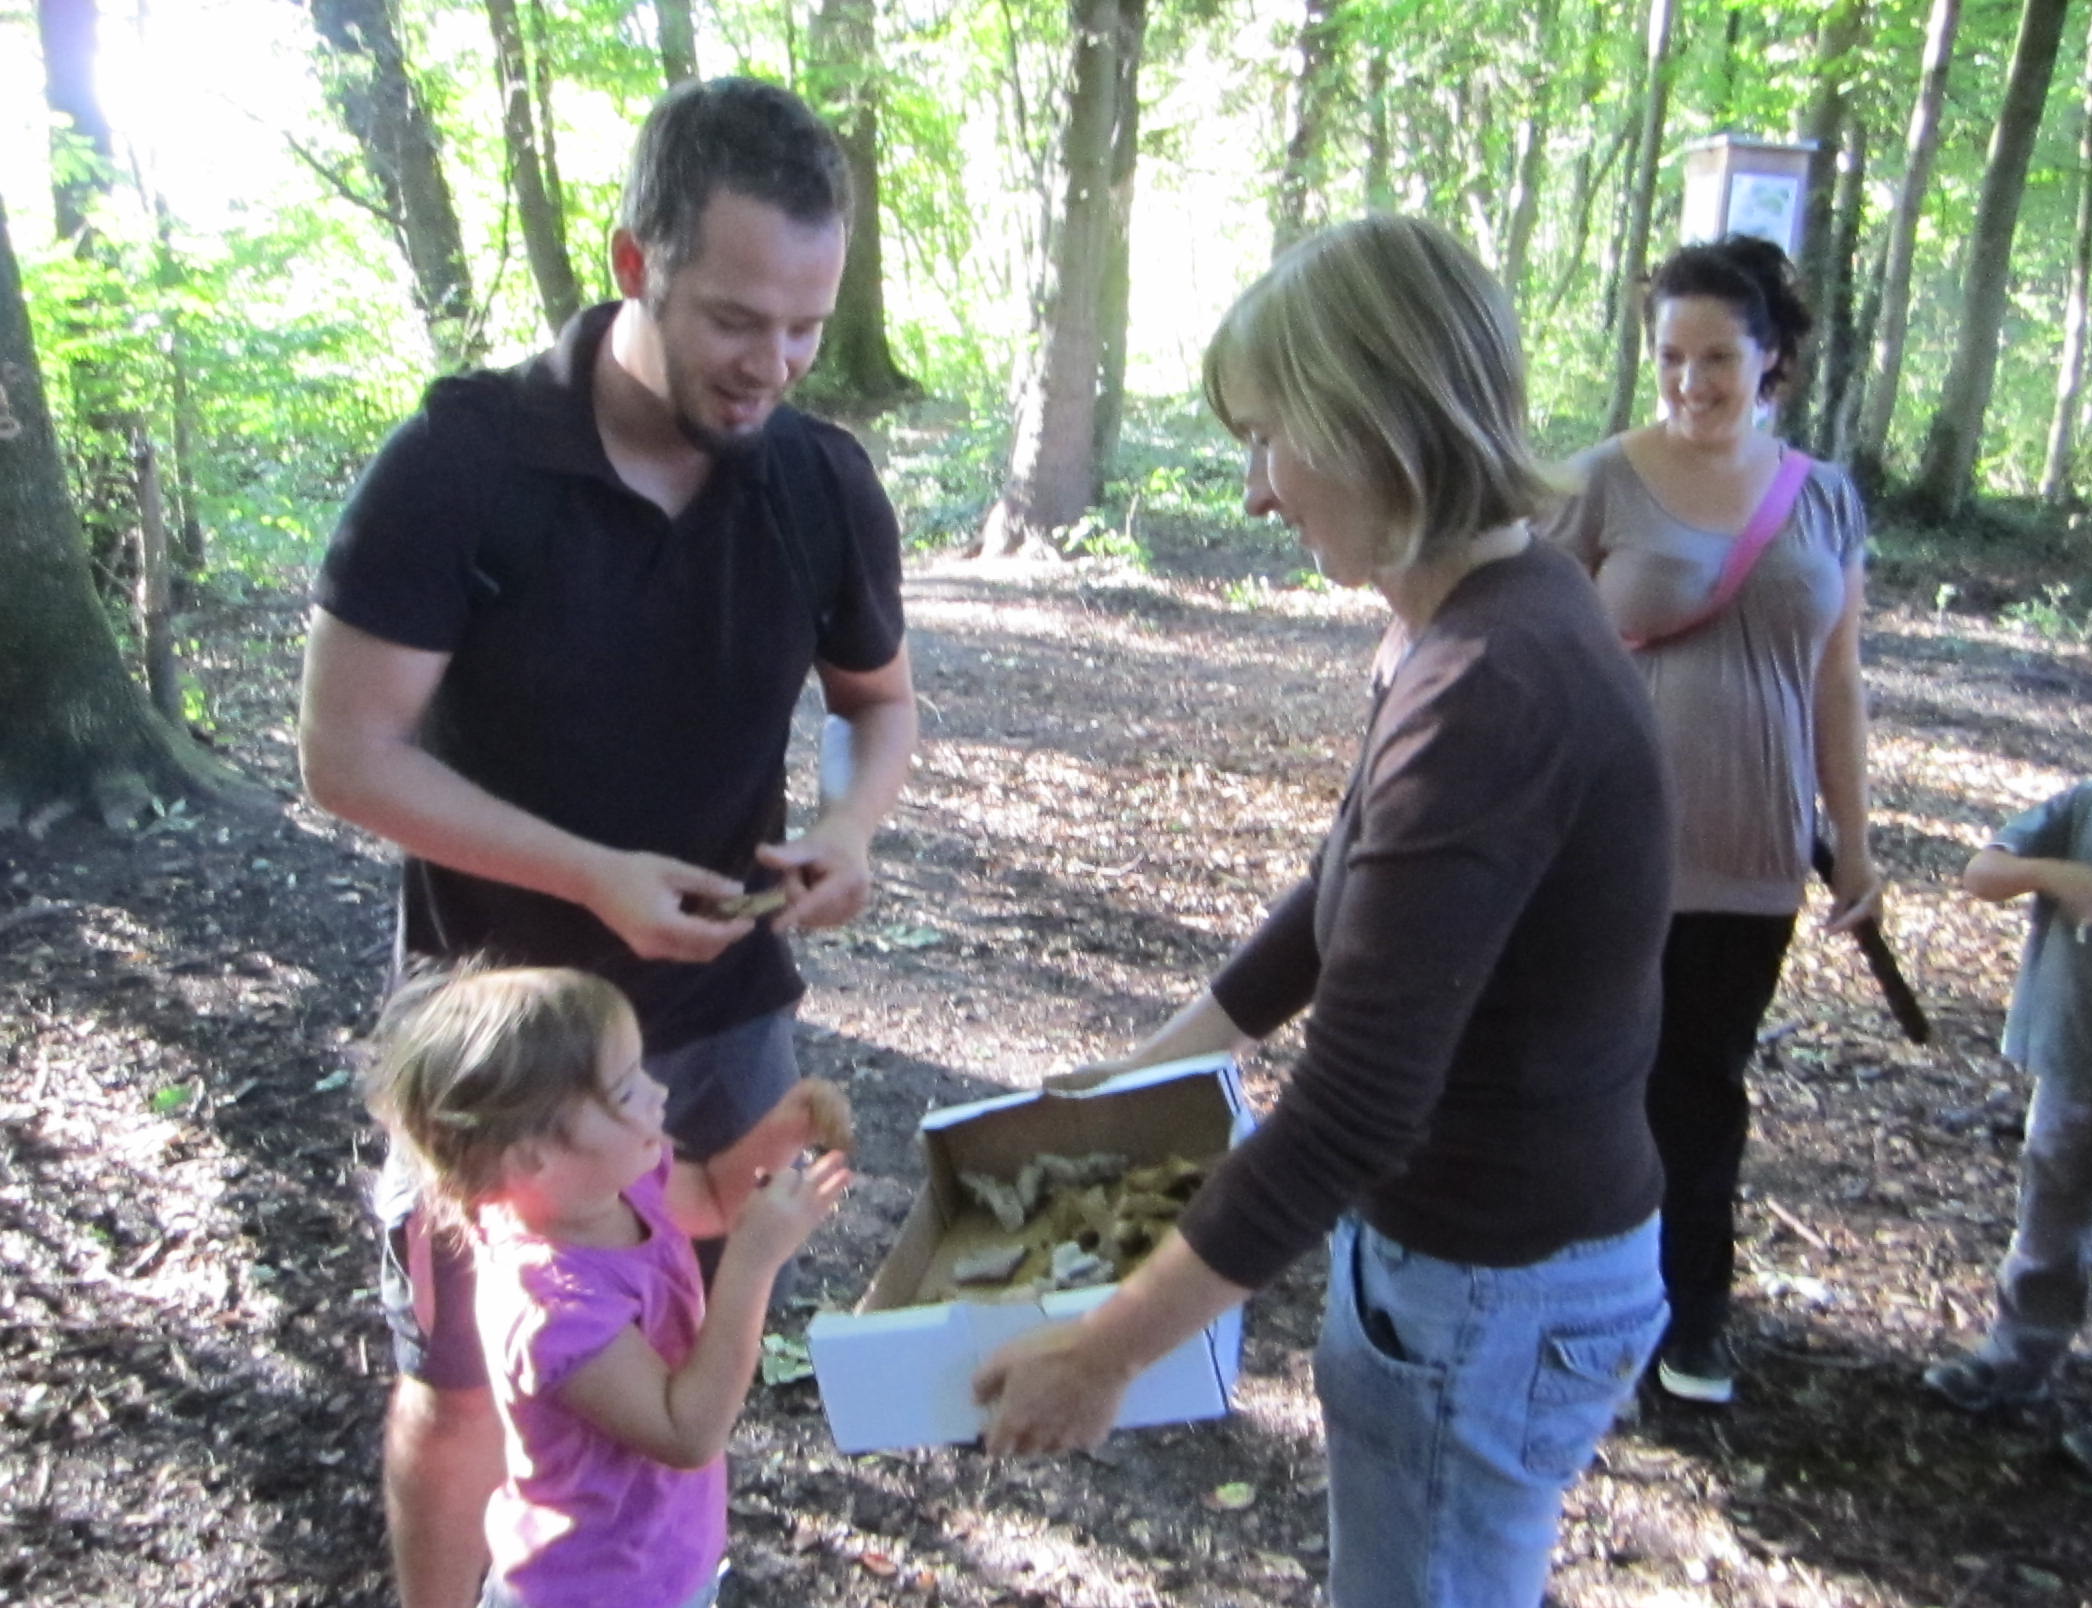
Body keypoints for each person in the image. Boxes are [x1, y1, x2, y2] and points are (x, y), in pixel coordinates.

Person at [972, 215, 1673, 1608]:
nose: (1254, 493)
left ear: (1373, 420)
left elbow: (1354, 1111)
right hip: (1477, 1264)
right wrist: (1143, 1075)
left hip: (1491, 1285)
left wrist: (1103, 1354)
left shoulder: (1489, 684)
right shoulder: (1461, 622)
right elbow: (1343, 889)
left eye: (1267, 437)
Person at [297, 77, 918, 1608]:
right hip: (498, 1048)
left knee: (669, 1363)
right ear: (636, 262)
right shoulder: (462, 466)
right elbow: (344, 756)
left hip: (722, 1021)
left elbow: (877, 701)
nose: (773, 364)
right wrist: (588, 875)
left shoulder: (821, 482)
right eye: (735, 320)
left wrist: (849, 824)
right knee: (464, 1388)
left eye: (806, 328)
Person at [1541, 233, 1882, 1405]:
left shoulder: (1823, 500)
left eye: (1717, 358)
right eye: (1669, 358)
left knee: (1700, 1087)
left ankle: (1690, 1319)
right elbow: (1525, 651)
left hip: (1751, 853)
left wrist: (1854, 842)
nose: (1690, 382)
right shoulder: (1597, 483)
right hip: (1605, 851)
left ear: (1770, 357)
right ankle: (1576, 1307)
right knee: (1597, 1076)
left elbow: (1836, 683)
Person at [362, 964, 853, 1608]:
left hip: (663, 1566)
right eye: (625, 1091)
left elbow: (712, 1194)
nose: (658, 1094)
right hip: (590, 1590)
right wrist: (753, 1261)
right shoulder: (550, 1303)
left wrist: (784, 1131)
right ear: (531, 1158)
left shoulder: (619, 1187)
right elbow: (685, 1430)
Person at [1922, 637, 2092, 1492]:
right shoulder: (2085, 809)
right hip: (2074, 1067)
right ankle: (2018, 1358)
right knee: (2049, 1223)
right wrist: (2056, 876)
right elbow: (1982, 873)